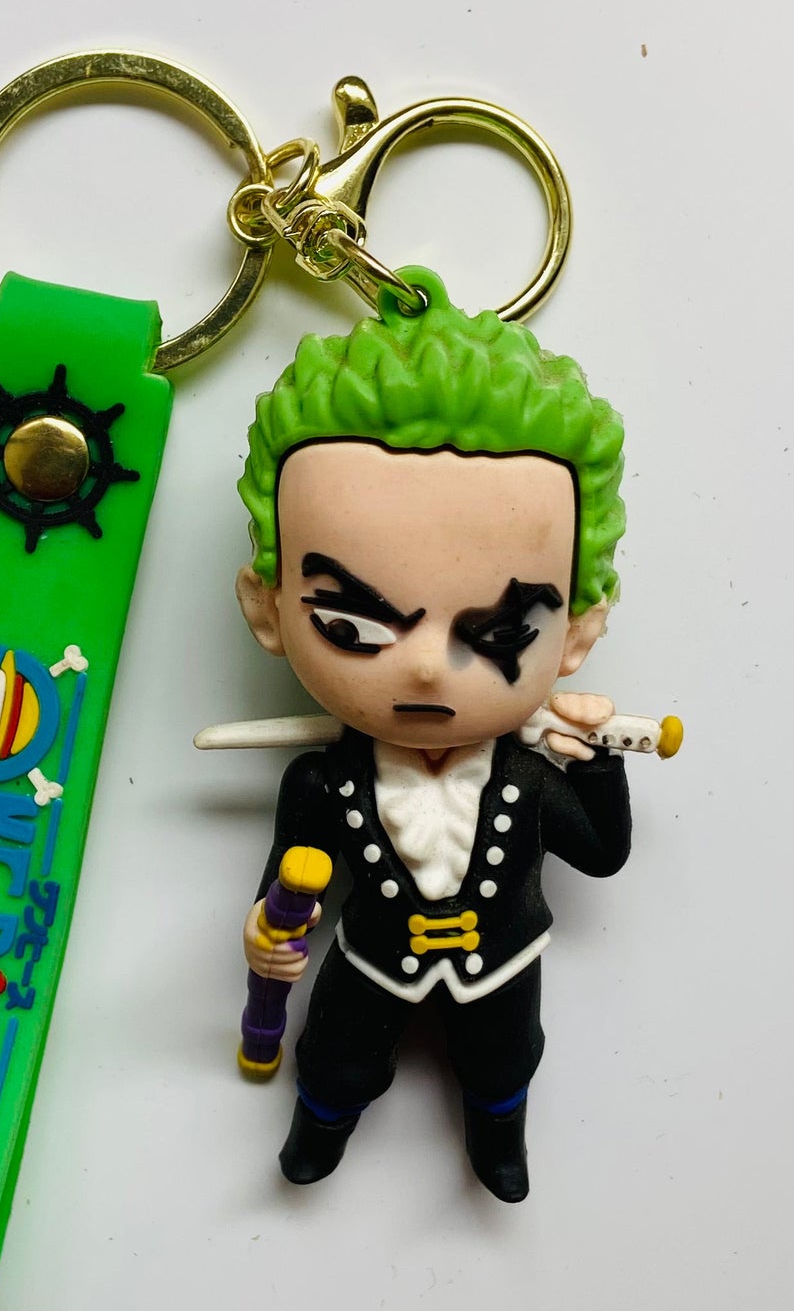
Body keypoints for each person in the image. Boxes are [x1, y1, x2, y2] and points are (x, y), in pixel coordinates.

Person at [234, 271, 633, 1201]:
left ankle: (502, 1138)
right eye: (353, 626)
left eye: (499, 634)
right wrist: (264, 935)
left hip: (503, 968)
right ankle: (320, 1126)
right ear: (268, 609)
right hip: (370, 963)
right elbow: (287, 884)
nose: (422, 669)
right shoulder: (323, 785)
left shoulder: (530, 777)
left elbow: (603, 853)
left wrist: (599, 760)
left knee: (504, 1061)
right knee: (335, 1058)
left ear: (578, 631)